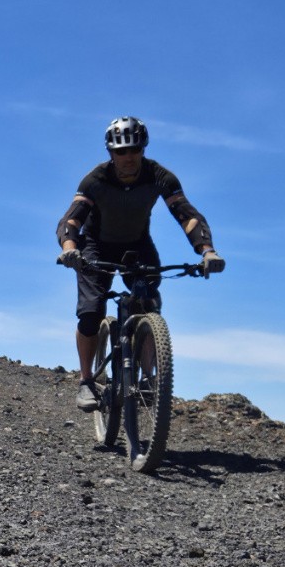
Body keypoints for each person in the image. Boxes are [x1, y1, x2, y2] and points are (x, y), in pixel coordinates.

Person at [56, 116, 225, 412]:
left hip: (137, 245)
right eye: (121, 151)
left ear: (143, 149)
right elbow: (71, 220)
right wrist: (70, 248)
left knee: (147, 304)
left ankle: (148, 378)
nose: (128, 157)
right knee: (91, 312)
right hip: (95, 246)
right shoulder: (95, 180)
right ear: (111, 152)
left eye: (134, 150)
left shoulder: (159, 176)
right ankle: (86, 381)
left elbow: (187, 215)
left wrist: (207, 251)